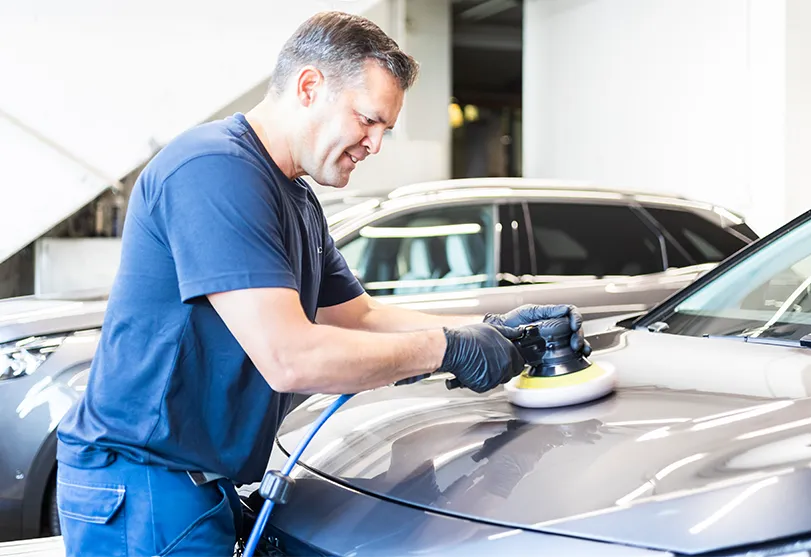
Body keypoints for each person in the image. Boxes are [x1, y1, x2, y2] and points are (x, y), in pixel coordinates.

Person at [54, 11, 589, 557]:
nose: (375, 144)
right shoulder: (214, 169)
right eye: (367, 120)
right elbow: (291, 357)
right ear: (309, 87)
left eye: (385, 129)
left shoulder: (296, 197)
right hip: (143, 483)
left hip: (193, 481)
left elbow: (358, 317)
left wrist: (491, 331)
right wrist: (448, 349)